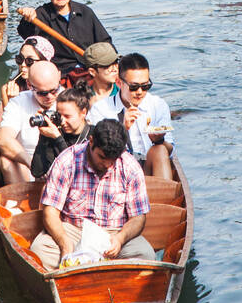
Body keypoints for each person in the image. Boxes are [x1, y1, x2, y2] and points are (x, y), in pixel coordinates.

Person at [29, 119, 155, 270]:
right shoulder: (66, 160)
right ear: (91, 141)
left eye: (113, 160)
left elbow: (138, 218)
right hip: (73, 230)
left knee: (146, 255)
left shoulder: (131, 167)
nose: (107, 165)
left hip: (113, 233)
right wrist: (65, 244)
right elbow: (50, 212)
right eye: (102, 157)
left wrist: (120, 239)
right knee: (40, 252)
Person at [16, 0, 112, 76]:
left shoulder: (85, 12)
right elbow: (26, 36)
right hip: (60, 73)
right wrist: (27, 19)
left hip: (90, 69)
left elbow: (105, 42)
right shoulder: (40, 15)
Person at [88, 52, 174, 180]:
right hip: (116, 167)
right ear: (119, 82)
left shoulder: (158, 105)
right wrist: (123, 130)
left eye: (145, 86)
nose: (140, 92)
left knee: (160, 150)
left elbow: (170, 149)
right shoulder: (100, 109)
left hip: (148, 165)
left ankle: (164, 195)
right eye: (134, 87)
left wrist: (158, 140)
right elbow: (96, 152)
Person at [0, 61, 63, 184]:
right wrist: (32, 165)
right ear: (29, 84)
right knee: (5, 161)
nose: (49, 97)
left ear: (59, 77)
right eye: (42, 93)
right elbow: (3, 140)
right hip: (27, 167)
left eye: (54, 91)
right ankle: (19, 200)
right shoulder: (18, 103)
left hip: (61, 167)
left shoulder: (69, 101)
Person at [30, 88, 94, 179]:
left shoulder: (94, 135)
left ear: (83, 112)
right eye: (60, 116)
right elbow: (37, 172)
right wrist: (44, 136)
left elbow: (79, 173)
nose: (63, 121)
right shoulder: (57, 132)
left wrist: (58, 139)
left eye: (67, 116)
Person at [1, 35, 53, 106]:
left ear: (44, 62)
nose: (23, 64)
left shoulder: (53, 92)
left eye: (29, 61)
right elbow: (9, 116)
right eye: (20, 58)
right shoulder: (8, 89)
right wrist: (12, 100)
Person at [77, 42, 120, 116]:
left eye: (116, 62)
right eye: (107, 66)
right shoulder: (82, 99)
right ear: (92, 72)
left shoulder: (124, 93)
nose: (115, 69)